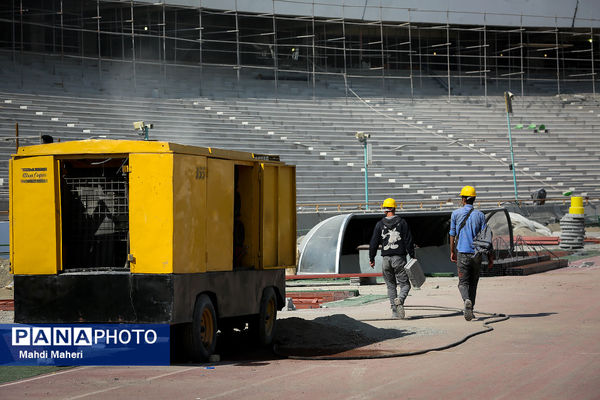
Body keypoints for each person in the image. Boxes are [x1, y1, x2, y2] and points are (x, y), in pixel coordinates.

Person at [449, 185, 494, 321]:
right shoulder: (480, 215)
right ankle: (471, 309)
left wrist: (452, 251)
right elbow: (486, 238)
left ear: (463, 199)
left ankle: (466, 300)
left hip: (462, 253)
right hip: (477, 254)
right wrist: (490, 257)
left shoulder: (455, 214)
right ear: (474, 199)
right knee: (473, 283)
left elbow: (452, 234)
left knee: (463, 283)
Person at [369, 197, 415, 319]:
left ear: (384, 210)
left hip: (385, 259)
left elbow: (373, 242)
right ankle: (400, 299)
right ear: (394, 208)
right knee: (405, 285)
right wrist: (412, 255)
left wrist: (371, 258)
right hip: (399, 258)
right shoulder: (402, 222)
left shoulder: (379, 224)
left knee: (391, 286)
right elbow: (408, 240)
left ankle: (395, 313)